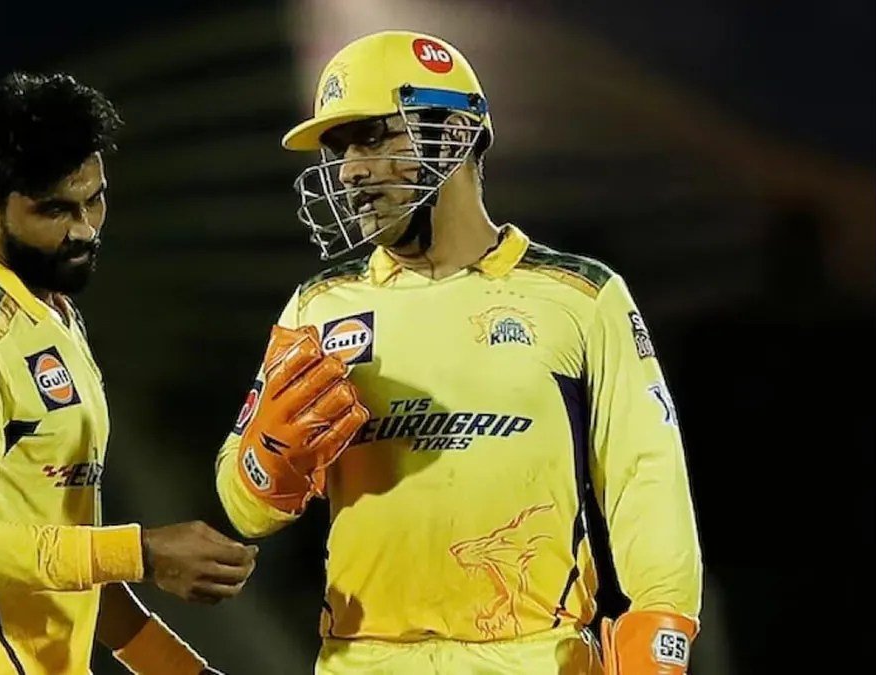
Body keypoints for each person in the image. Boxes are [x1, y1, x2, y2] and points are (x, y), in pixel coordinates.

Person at [215, 31, 702, 674]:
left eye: (372, 137)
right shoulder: (318, 307)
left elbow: (646, 476)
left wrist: (661, 626)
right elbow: (244, 511)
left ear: (454, 134)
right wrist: (266, 465)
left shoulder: (582, 296)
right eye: (339, 149)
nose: (350, 169)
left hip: (534, 659)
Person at [0, 71, 255, 675]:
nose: (84, 229)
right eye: (55, 210)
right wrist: (143, 552)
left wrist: (180, 671)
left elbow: (67, 556)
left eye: (94, 199)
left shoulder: (53, 312)